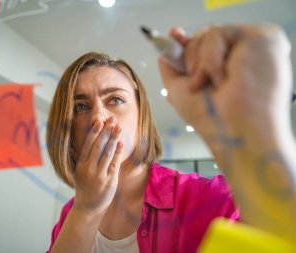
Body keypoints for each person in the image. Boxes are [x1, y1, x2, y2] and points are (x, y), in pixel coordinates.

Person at [45, 23, 296, 253]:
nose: (97, 118)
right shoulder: (70, 215)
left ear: (141, 115)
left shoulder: (209, 201)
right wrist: (86, 210)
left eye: (116, 100)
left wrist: (261, 130)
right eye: (80, 107)